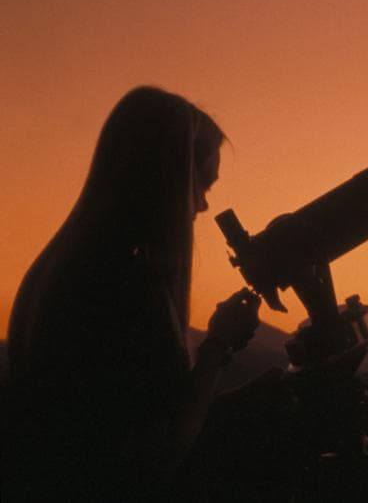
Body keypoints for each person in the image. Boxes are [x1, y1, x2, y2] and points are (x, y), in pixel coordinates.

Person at [3, 86, 261, 501]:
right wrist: (217, 346)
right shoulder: (123, 282)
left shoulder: (62, 267)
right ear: (167, 177)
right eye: (201, 186)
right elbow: (158, 451)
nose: (201, 206)